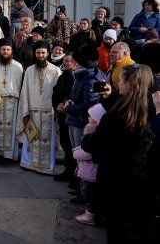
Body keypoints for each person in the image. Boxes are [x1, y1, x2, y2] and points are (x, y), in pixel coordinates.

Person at [81, 64, 155, 243]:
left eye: (121, 80)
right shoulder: (151, 108)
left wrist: (88, 135)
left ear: (130, 83)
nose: (118, 84)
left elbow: (96, 145)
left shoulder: (117, 116)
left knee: (116, 228)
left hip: (114, 179)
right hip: (141, 180)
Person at [16, 41, 61, 174]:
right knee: (32, 139)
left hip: (49, 113)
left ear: (48, 53)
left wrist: (56, 110)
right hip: (33, 112)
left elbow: (57, 92)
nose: (40, 55)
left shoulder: (55, 70)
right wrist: (25, 110)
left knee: (48, 141)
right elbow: (25, 91)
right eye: (38, 53)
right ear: (35, 54)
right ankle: (28, 163)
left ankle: (47, 167)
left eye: (43, 53)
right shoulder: (29, 70)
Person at [0, 38, 24, 160]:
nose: (6, 52)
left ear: (12, 51)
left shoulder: (18, 66)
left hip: (12, 102)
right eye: (3, 49)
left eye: (8, 49)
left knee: (11, 127)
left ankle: (9, 154)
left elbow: (20, 85)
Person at [74, 103, 105, 225]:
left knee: (90, 190)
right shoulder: (91, 128)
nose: (88, 118)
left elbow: (88, 152)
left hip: (90, 169)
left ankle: (90, 210)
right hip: (87, 168)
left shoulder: (93, 131)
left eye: (90, 116)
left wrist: (75, 153)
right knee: (87, 186)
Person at [52, 53, 78, 182]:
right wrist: (57, 105)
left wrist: (66, 104)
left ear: (75, 63)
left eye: (69, 61)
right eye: (65, 61)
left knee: (73, 146)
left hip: (74, 117)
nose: (66, 63)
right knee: (65, 144)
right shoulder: (62, 77)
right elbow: (55, 93)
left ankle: (76, 173)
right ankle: (68, 170)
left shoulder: (77, 77)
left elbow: (77, 95)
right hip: (62, 116)